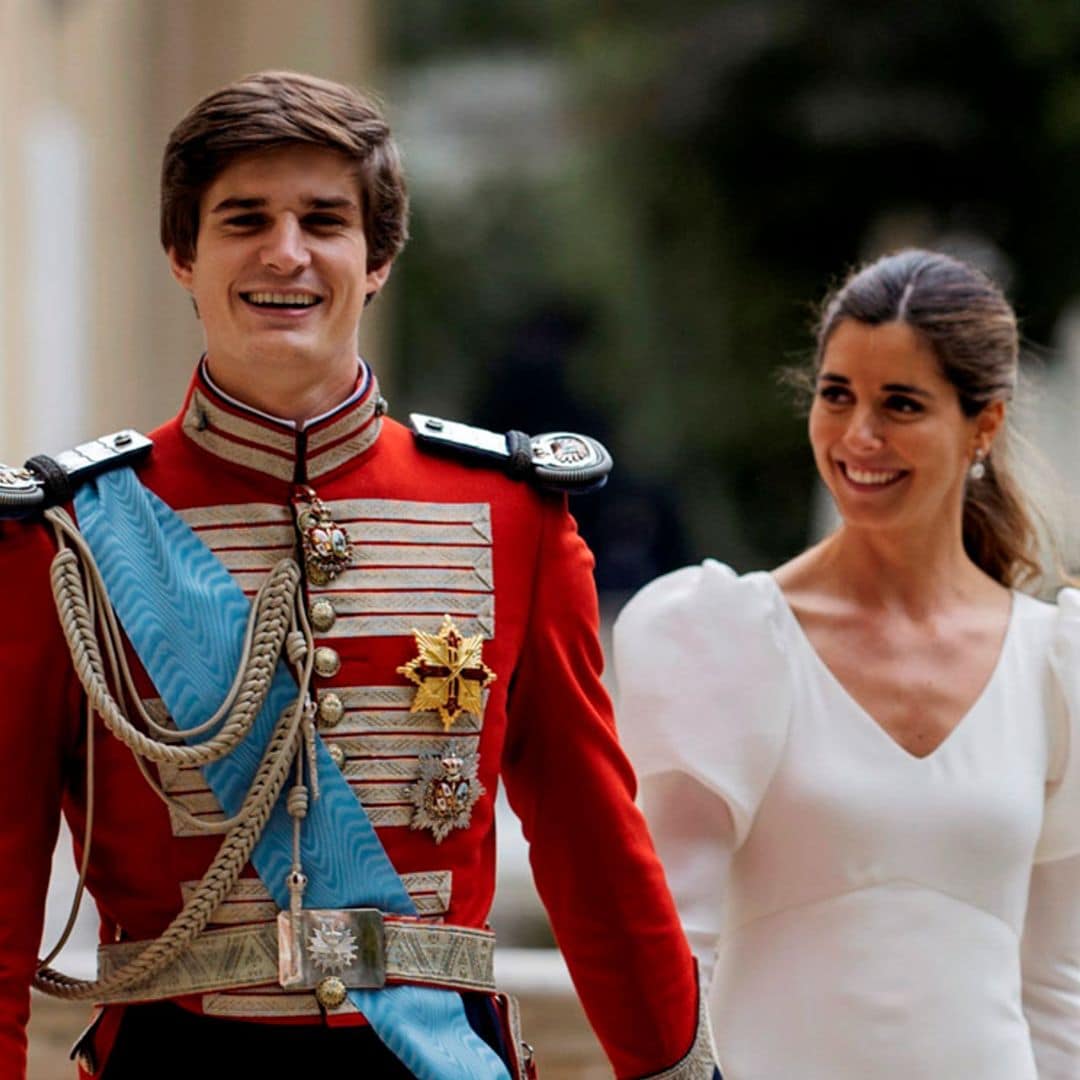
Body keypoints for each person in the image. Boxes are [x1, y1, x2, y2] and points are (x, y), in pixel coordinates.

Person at [0, 71, 720, 1079]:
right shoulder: (67, 534)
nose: (285, 252)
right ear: (182, 255)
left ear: (376, 259)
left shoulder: (512, 516)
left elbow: (592, 843)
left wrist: (676, 1069)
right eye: (244, 218)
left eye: (323, 221)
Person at [615, 249, 1080, 1079]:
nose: (859, 436)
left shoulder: (1055, 664)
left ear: (985, 426)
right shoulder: (727, 638)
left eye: (900, 404)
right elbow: (674, 948)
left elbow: (1058, 986)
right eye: (838, 396)